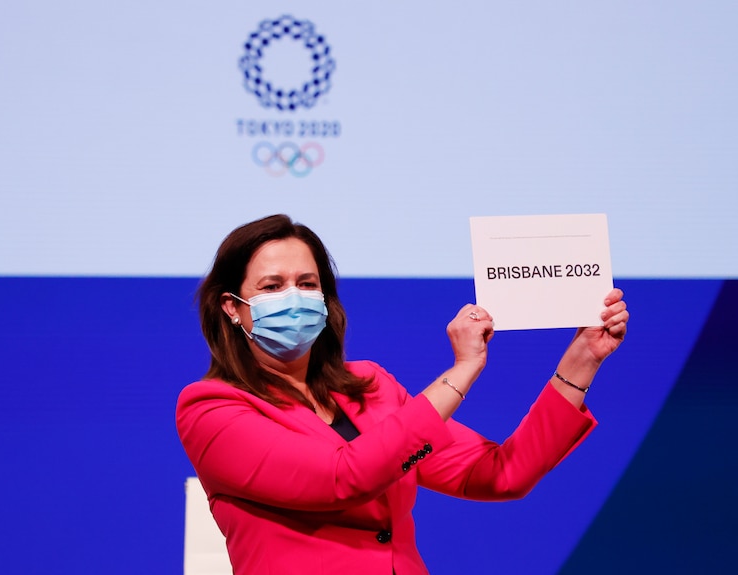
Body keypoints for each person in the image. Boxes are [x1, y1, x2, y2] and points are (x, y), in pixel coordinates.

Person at [176, 214, 629, 575]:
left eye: (307, 283)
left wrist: (583, 358)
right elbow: (342, 478)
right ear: (233, 307)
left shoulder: (369, 385)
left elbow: (496, 474)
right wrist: (463, 370)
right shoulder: (211, 408)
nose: (294, 297)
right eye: (272, 287)